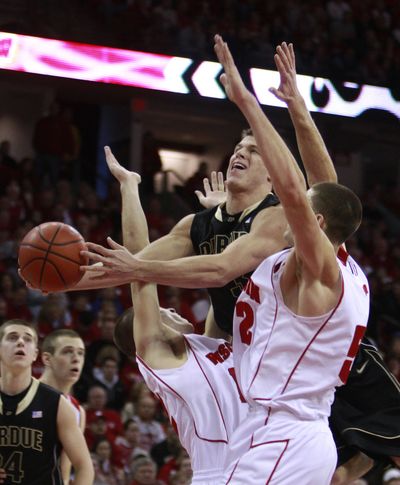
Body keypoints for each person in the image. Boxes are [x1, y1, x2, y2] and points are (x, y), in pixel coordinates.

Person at [79, 42, 400, 482]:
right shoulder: (218, 345)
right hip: (267, 433)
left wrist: (256, 104)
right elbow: (167, 279)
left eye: (298, 207)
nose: (290, 208)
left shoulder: (308, 260)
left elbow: (202, 269)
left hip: (289, 424)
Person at [212, 34, 371, 484]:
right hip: (285, 429)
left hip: (285, 432)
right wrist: (296, 104)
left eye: (300, 208)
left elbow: (294, 192)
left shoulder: (319, 269)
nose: (287, 208)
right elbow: (324, 182)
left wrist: (247, 103)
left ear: (315, 223)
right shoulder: (339, 266)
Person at [106, 146, 248, 483]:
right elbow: (139, 261)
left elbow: (227, 279)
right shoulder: (159, 357)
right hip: (219, 473)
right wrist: (129, 186)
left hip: (261, 462)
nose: (171, 308)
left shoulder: (209, 343)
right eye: (162, 312)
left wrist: (220, 217)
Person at [0, 319, 94, 484]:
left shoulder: (59, 404)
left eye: (27, 339)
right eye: (12, 337)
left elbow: (83, 466)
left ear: (35, 354)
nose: (21, 342)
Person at [39, 328, 87, 484]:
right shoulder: (22, 394)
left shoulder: (78, 410)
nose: (76, 359)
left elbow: (66, 468)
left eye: (81, 353)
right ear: (47, 359)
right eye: (68, 352)